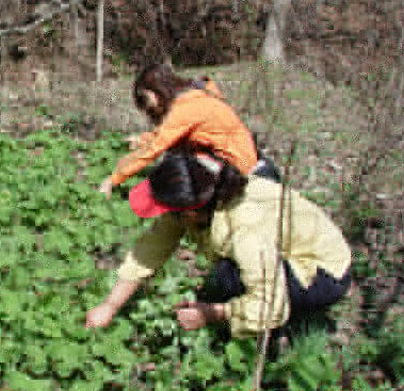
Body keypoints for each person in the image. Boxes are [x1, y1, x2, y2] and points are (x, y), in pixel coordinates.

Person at [85, 149, 351, 338]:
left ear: (189, 210)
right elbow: (152, 247)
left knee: (228, 278)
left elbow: (272, 304)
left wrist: (213, 314)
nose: (166, 215)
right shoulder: (200, 193)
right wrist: (110, 305)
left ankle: (281, 334)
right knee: (228, 275)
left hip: (323, 272)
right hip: (278, 252)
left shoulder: (245, 229)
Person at [98, 64, 279, 199]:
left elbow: (156, 147)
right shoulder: (194, 95)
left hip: (240, 171)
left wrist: (113, 179)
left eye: (144, 99)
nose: (147, 107)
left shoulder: (186, 109)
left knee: (176, 165)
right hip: (245, 161)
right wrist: (143, 139)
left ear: (154, 92)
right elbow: (171, 134)